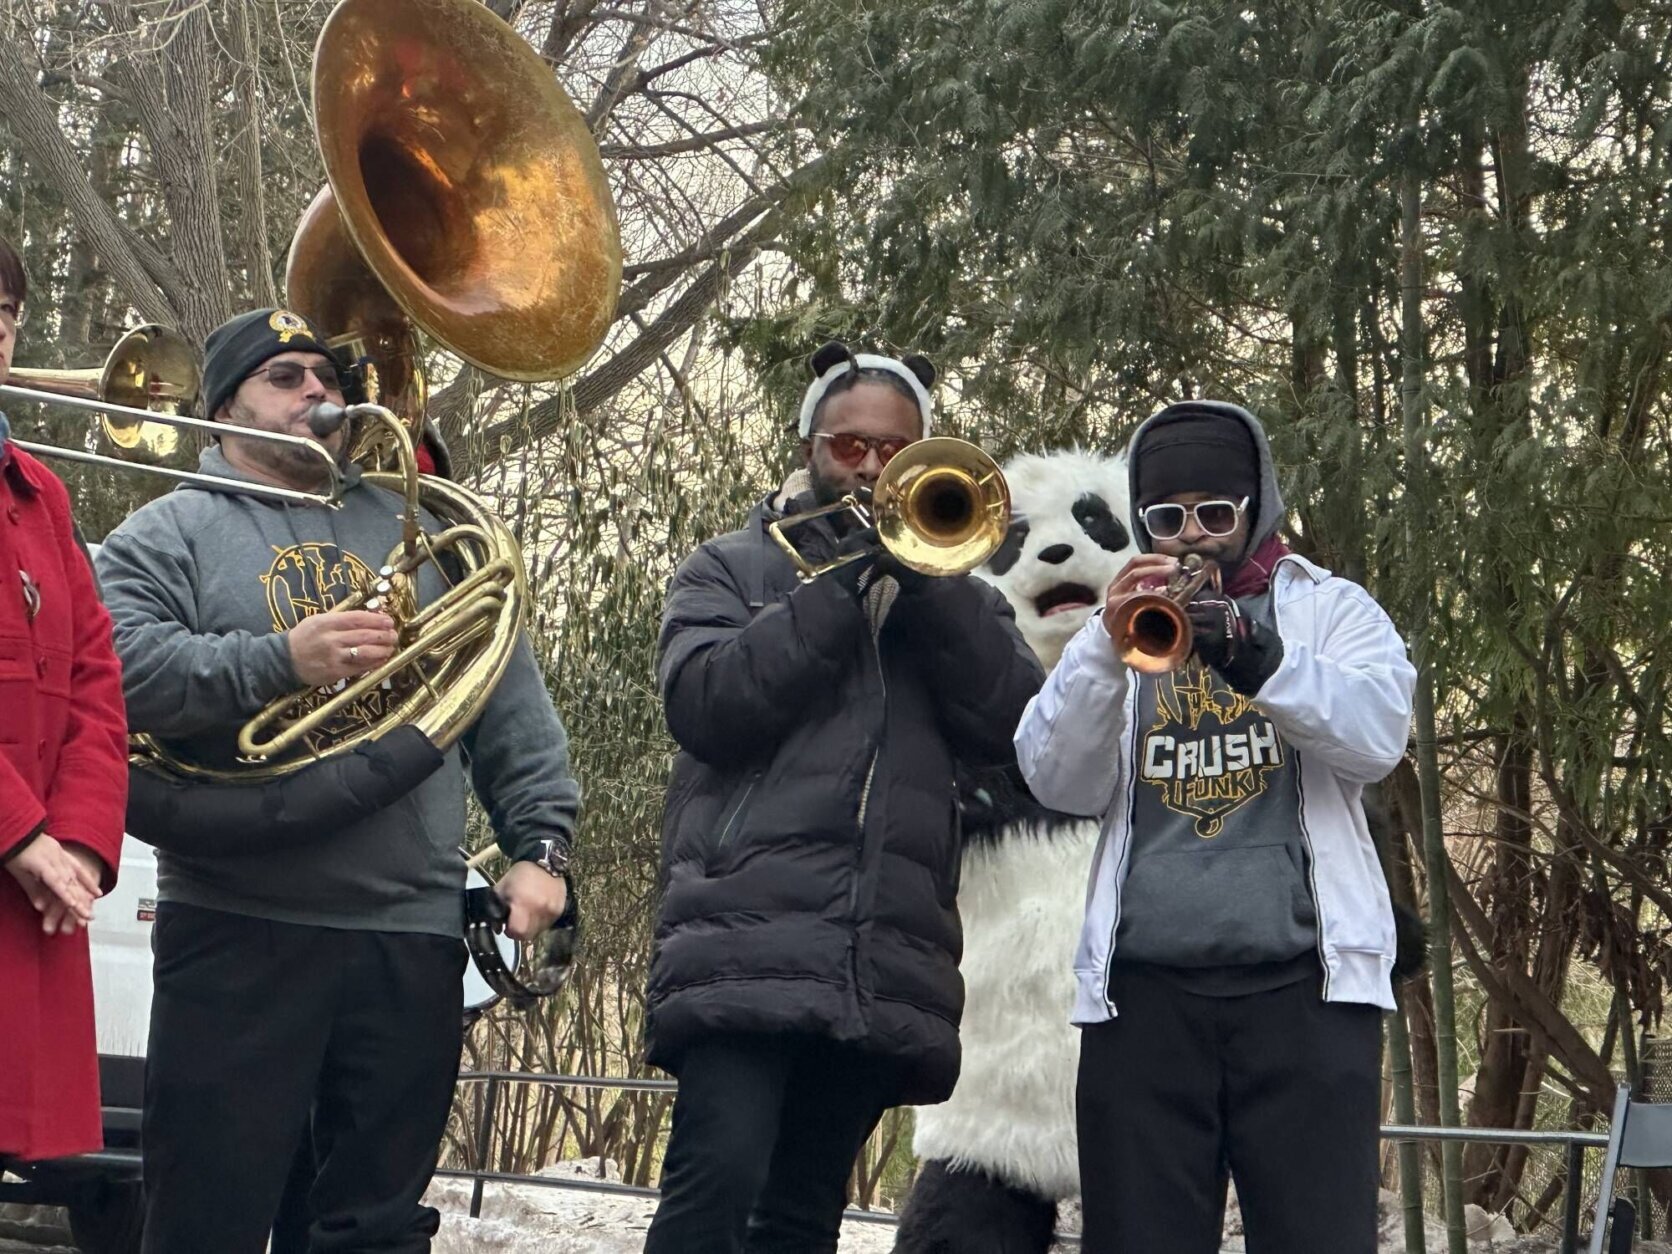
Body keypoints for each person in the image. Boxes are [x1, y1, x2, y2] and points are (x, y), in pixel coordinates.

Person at [95, 307, 581, 1254]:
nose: (318, 393)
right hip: (239, 928)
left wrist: (543, 846)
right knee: (205, 1223)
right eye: (284, 378)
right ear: (224, 405)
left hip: (408, 935)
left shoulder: (425, 526)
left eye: (325, 377)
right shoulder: (168, 532)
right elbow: (115, 673)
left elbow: (504, 699)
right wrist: (281, 660)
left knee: (374, 1232)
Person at [643, 341, 1045, 1254]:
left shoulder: (958, 593)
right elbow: (706, 704)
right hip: (744, 933)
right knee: (717, 1184)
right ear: (810, 447)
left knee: (802, 1211)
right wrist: (839, 586)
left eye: (891, 451)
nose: (868, 468)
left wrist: (931, 592)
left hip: (880, 952)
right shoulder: (727, 567)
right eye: (848, 446)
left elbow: (1019, 733)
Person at [1015, 399, 1416, 1254]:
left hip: (1306, 995)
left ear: (1257, 507)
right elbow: (1055, 778)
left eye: (1216, 513)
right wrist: (1099, 649)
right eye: (1167, 517)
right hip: (1145, 1000)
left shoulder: (1331, 611)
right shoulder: (1112, 629)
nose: (1193, 536)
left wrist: (1251, 648)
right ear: (1141, 519)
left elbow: (1378, 737)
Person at [0, 234, 130, 1164]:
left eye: (2, 317)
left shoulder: (43, 496)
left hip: (30, 895)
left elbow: (96, 680)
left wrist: (77, 842)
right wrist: (20, 835)